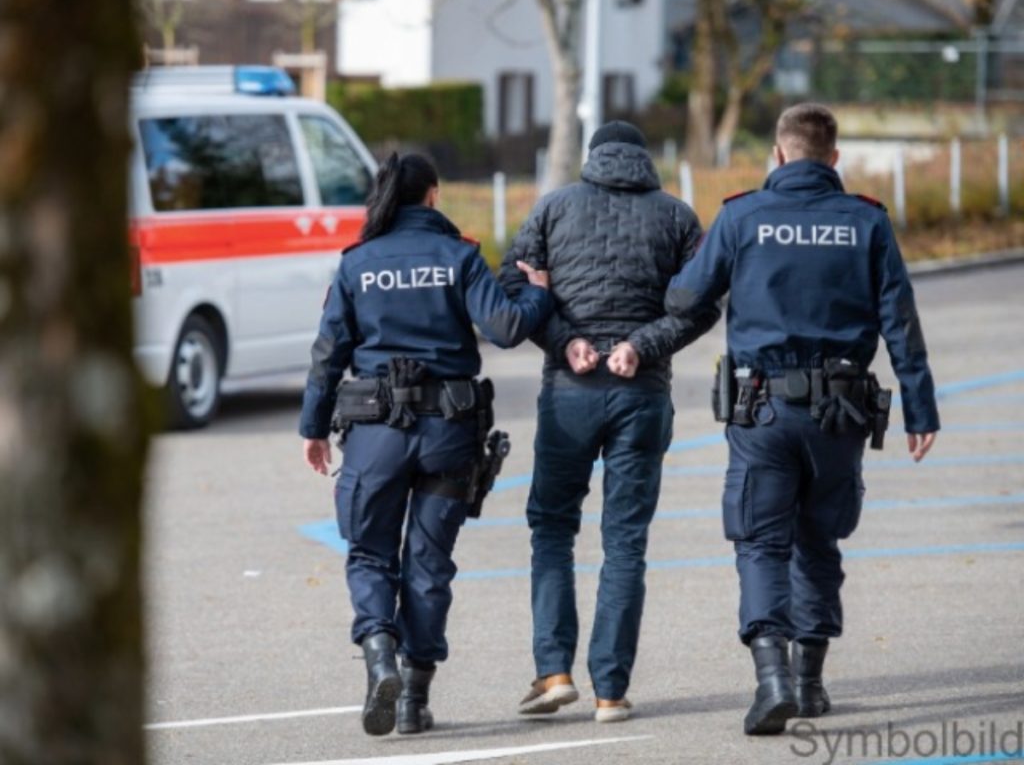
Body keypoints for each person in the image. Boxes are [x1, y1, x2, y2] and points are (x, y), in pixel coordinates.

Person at [663, 103, 940, 735]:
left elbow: (684, 296)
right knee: (819, 540)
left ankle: (773, 680)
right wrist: (920, 409)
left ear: (779, 154)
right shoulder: (867, 220)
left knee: (761, 542)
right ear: (834, 158)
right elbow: (900, 322)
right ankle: (811, 684)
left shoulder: (742, 215)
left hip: (763, 409)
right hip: (840, 412)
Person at [299, 153, 552, 737]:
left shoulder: (356, 264)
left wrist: (313, 428)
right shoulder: (459, 255)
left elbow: (327, 354)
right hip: (448, 434)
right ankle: (413, 698)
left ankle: (379, 651)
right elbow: (507, 327)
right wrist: (538, 292)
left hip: (376, 437)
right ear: (433, 197)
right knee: (428, 564)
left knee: (369, 554)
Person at [499, 121, 720, 722]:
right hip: (641, 394)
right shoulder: (676, 216)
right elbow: (704, 306)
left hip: (569, 393)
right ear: (643, 159)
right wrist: (643, 346)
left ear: (594, 157)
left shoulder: (552, 208)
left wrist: (565, 339)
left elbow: (509, 289)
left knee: (551, 529)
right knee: (625, 543)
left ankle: (553, 673)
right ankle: (611, 693)